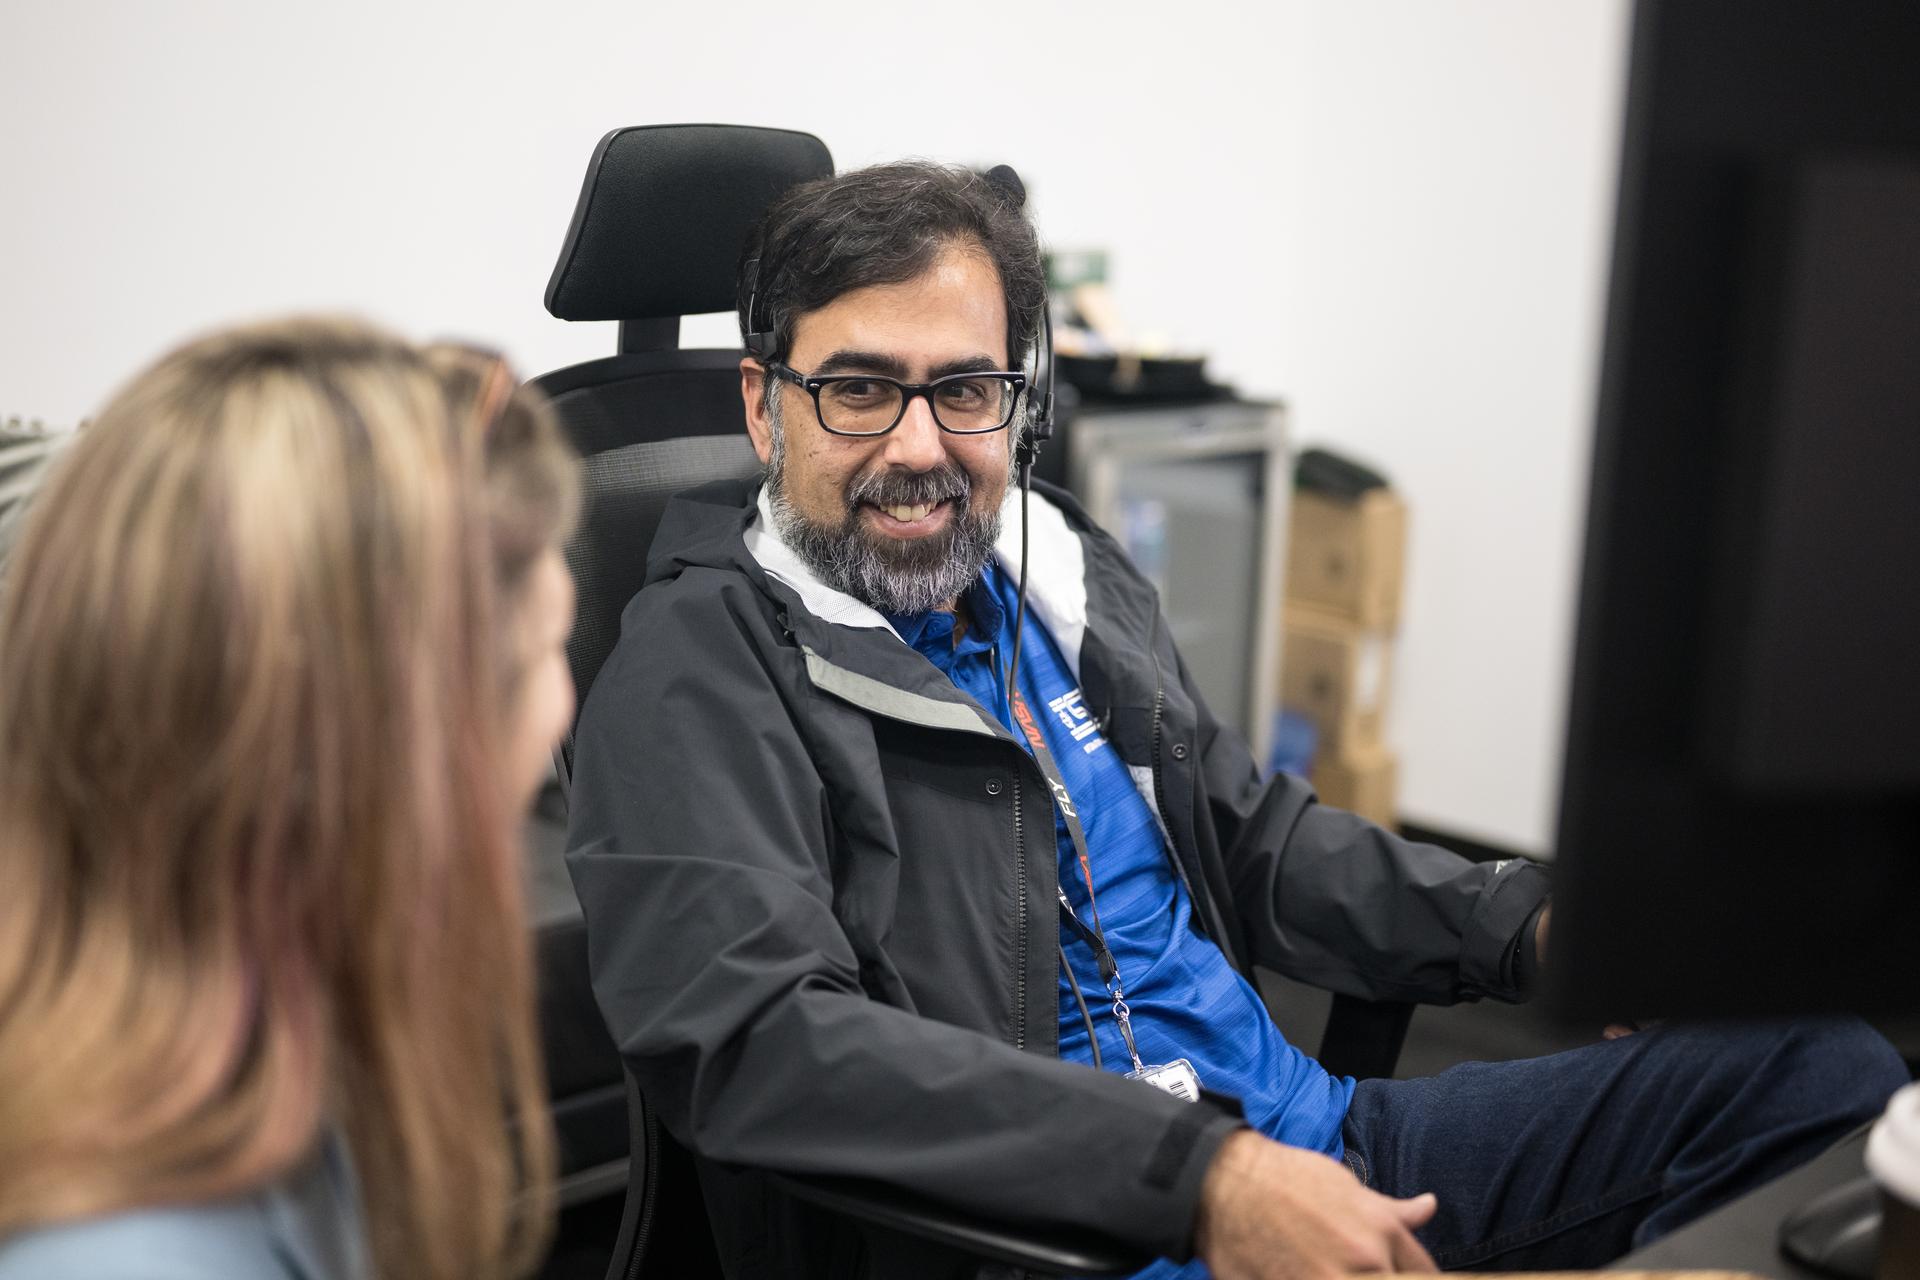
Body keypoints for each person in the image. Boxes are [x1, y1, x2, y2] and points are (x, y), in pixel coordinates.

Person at [564, 162, 1908, 1279]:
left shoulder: (1051, 574)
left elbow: (1254, 840)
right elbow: (760, 1045)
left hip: (1315, 1148)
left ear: (1015, 407)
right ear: (762, 403)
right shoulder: (700, 672)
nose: (920, 445)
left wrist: (1543, 929)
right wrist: (1195, 1180)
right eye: (858, 389)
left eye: (963, 391)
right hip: (1075, 1228)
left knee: (1815, 1066)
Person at [0, 318, 580, 1280]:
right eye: (552, 645)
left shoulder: (254, 1083)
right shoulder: (140, 1250)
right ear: (412, 750)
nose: (565, 697)